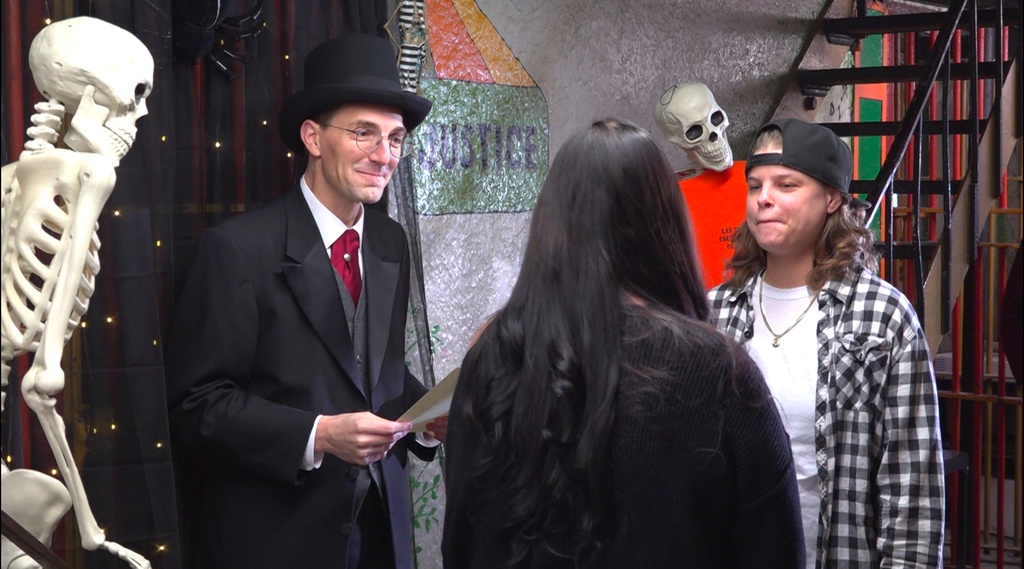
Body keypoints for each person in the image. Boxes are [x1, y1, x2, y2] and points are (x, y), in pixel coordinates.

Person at [442, 118, 805, 569]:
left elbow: (459, 539)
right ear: (664, 221)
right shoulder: (715, 370)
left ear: (553, 222)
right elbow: (775, 548)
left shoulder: (494, 354)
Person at [164, 34, 446, 569]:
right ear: (313, 137)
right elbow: (196, 404)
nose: (384, 156)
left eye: (395, 138)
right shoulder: (237, 250)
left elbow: (373, 371)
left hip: (382, 534)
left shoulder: (390, 243)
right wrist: (318, 435)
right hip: (278, 539)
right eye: (363, 133)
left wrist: (427, 416)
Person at [708, 118, 945, 568]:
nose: (764, 199)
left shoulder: (883, 319)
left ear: (832, 198)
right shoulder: (714, 312)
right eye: (755, 185)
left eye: (786, 184)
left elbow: (913, 497)